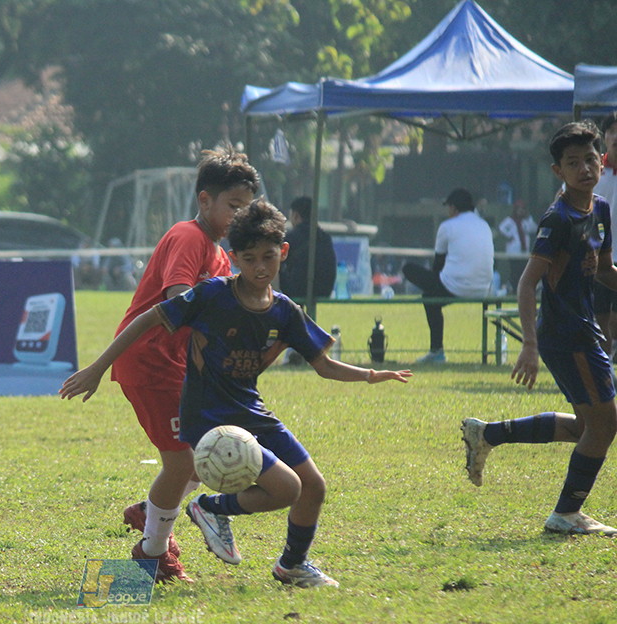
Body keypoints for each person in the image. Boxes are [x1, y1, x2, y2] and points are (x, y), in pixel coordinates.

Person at [61, 198, 411, 588]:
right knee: (286, 487)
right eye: (249, 258)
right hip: (209, 415)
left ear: (284, 252)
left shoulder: (285, 311)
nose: (260, 267)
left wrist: (370, 374)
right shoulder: (213, 295)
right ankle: (207, 508)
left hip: (250, 410)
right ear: (234, 258)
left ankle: (292, 564)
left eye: (268, 257)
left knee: (313, 486)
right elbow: (149, 317)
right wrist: (98, 367)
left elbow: (323, 365)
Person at [97, 148, 260, 582]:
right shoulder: (189, 238)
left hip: (178, 367)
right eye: (233, 207)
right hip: (148, 362)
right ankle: (152, 555)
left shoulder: (222, 255)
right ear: (204, 200)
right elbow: (178, 297)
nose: (238, 217)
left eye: (246, 209)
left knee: (201, 455)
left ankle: (152, 512)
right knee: (184, 463)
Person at [461, 121, 617, 536]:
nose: (583, 168)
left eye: (589, 159)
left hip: (584, 332)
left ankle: (488, 434)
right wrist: (528, 344)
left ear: (601, 161)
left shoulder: (600, 209)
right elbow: (527, 282)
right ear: (558, 171)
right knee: (605, 424)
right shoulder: (557, 219)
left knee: (589, 426)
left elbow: (604, 271)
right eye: (572, 163)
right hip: (566, 335)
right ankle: (566, 513)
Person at [402, 188, 494, 363]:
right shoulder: (484, 225)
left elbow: (438, 264)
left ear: (454, 208)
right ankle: (436, 352)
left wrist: (435, 282)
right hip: (483, 288)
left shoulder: (447, 226)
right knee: (430, 295)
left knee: (411, 272)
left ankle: (437, 351)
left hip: (454, 287)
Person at [276, 196, 336, 300]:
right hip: (325, 290)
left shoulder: (291, 237)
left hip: (298, 290)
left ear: (295, 215)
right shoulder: (325, 237)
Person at [592, 112, 617, 357]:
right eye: (611, 131)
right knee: (600, 321)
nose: (616, 136)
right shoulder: (593, 169)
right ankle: (605, 374)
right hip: (600, 259)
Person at [497, 199, 537, 292]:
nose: (521, 211)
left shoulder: (526, 221)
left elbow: (534, 228)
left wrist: (528, 218)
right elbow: (501, 228)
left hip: (524, 253)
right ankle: (514, 289)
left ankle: (521, 290)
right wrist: (508, 236)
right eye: (519, 209)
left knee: (523, 271)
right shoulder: (510, 220)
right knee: (514, 271)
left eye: (523, 209)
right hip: (514, 252)